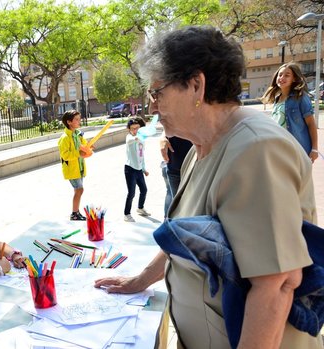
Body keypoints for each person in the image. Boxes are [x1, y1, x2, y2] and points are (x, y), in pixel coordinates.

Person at [94, 26, 321, 348]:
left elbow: (278, 282)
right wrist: (142, 279)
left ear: (196, 86)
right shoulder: (202, 145)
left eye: (156, 93)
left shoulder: (256, 149)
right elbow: (189, 235)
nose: (153, 107)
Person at [261, 62, 319, 163]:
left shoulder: (300, 97)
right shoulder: (277, 99)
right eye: (280, 75)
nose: (282, 77)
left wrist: (314, 149)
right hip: (279, 149)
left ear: (294, 79)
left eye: (287, 75)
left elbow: (311, 124)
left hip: (297, 149)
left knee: (298, 178)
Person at [58, 110, 89, 221]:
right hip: (72, 169)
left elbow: (84, 145)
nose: (79, 121)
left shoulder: (78, 134)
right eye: (76, 119)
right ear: (69, 122)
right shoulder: (65, 138)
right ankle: (74, 213)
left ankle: (75, 213)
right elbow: (65, 155)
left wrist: (88, 147)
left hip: (79, 167)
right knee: (79, 190)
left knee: (78, 190)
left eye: (79, 118)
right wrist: (78, 153)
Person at [123, 117, 150, 222]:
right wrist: (137, 137)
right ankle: (126, 214)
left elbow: (141, 155)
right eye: (132, 128)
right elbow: (130, 140)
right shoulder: (129, 137)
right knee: (131, 193)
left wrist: (144, 169)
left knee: (144, 190)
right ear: (129, 130)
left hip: (139, 169)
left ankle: (140, 208)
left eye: (137, 128)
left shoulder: (141, 141)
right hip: (130, 169)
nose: (135, 130)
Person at [159, 135, 192, 217]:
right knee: (176, 204)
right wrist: (162, 137)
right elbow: (166, 127)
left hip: (193, 167)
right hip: (174, 168)